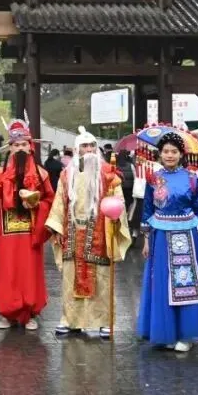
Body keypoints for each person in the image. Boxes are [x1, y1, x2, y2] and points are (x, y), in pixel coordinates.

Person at [0, 119, 54, 331]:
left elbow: (51, 201)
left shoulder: (42, 174)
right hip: (6, 236)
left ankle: (30, 312)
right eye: (16, 145)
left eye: (24, 144)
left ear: (30, 147)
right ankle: (7, 313)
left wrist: (37, 204)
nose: (20, 148)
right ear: (10, 148)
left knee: (29, 273)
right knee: (7, 273)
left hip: (30, 234)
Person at [136, 128, 198, 352]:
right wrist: (146, 240)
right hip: (161, 236)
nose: (170, 155)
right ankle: (166, 332)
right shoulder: (153, 179)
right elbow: (148, 210)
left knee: (186, 283)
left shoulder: (192, 179)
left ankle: (185, 333)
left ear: (181, 154)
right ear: (160, 154)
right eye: (166, 151)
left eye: (174, 151)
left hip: (187, 236)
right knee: (163, 282)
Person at [47, 127, 131, 338]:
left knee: (102, 279)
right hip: (72, 231)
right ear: (77, 149)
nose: (89, 149)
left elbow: (118, 200)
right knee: (70, 279)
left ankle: (104, 322)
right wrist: (56, 226)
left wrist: (116, 216)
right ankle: (70, 321)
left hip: (99, 230)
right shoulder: (66, 174)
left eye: (92, 145)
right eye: (84, 146)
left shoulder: (109, 173)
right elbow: (59, 202)